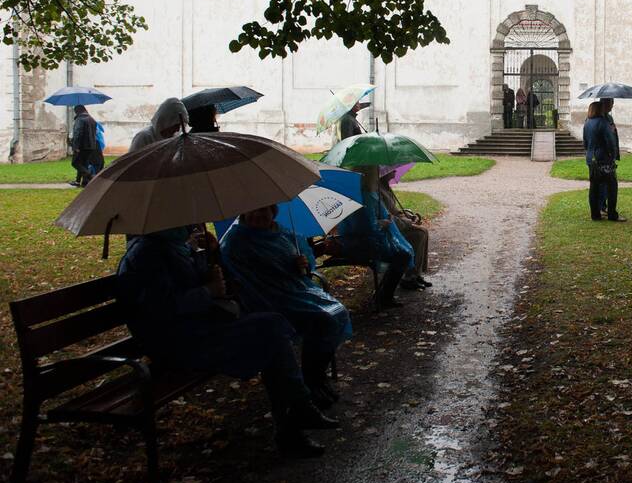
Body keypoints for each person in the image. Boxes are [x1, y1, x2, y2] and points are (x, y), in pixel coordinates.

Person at [115, 226, 337, 458]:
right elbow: (159, 312)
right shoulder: (146, 255)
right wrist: (208, 291)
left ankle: (296, 420)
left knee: (272, 333)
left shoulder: (174, 245)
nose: (192, 220)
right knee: (272, 331)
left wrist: (213, 254)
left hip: (199, 331)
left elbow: (206, 282)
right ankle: (298, 414)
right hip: (177, 344)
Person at [220, 205, 352, 408]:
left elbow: (304, 263)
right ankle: (311, 383)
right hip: (264, 299)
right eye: (253, 210)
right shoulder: (235, 240)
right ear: (243, 212)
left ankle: (315, 376)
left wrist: (303, 264)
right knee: (322, 319)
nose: (259, 215)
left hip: (296, 291)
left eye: (264, 210)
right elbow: (242, 278)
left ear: (273, 211)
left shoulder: (281, 231)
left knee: (338, 312)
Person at [335, 165, 411, 308]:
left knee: (402, 252)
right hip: (360, 243)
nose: (378, 176)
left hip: (359, 239)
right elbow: (367, 226)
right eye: (375, 173)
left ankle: (384, 294)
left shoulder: (360, 193)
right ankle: (385, 297)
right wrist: (383, 223)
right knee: (403, 255)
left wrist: (384, 220)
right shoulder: (365, 196)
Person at [378, 170, 432, 289]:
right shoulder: (378, 191)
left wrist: (407, 216)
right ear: (384, 172)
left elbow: (395, 211)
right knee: (418, 234)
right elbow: (387, 216)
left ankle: (415, 274)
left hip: (396, 224)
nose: (395, 170)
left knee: (423, 231)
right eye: (391, 169)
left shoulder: (385, 187)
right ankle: (408, 278)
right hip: (389, 229)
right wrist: (408, 222)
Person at [583, 101, 625, 222]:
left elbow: (585, 143)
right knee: (612, 186)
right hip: (604, 159)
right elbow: (610, 142)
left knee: (594, 187)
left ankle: (595, 215)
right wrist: (612, 155)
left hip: (591, 158)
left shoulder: (587, 122)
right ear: (599, 109)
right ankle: (612, 214)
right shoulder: (603, 122)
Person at [69, 105, 104, 187]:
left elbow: (78, 133)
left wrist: (75, 147)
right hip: (91, 146)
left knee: (75, 163)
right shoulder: (92, 119)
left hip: (82, 146)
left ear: (77, 111)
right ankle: (84, 182)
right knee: (84, 164)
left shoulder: (80, 119)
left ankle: (90, 176)